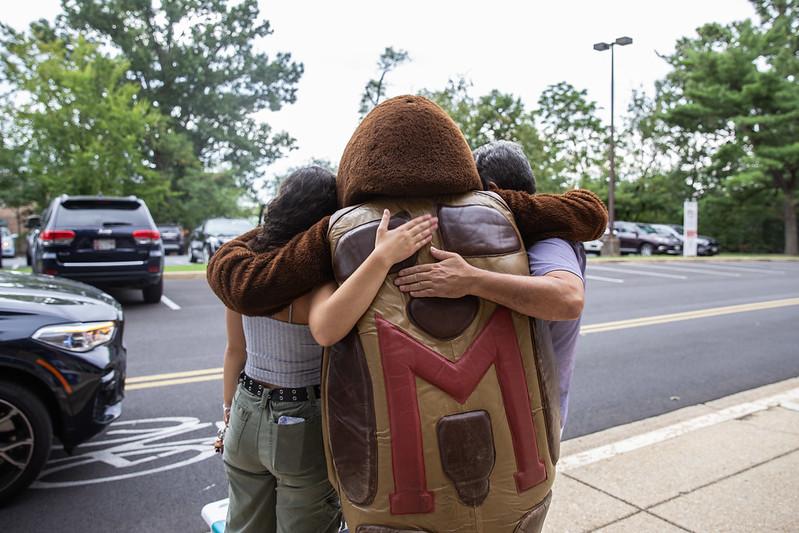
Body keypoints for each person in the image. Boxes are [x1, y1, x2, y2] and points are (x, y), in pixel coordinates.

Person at [394, 140, 586, 428]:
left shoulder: (547, 239)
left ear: (493, 192)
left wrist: (471, 280)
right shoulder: (509, 239)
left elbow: (568, 298)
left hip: (533, 421)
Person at [221, 166, 344, 533]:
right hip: (300, 420)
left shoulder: (242, 272)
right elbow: (330, 332)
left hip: (244, 409)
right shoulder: (318, 281)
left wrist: (227, 416)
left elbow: (234, 351)